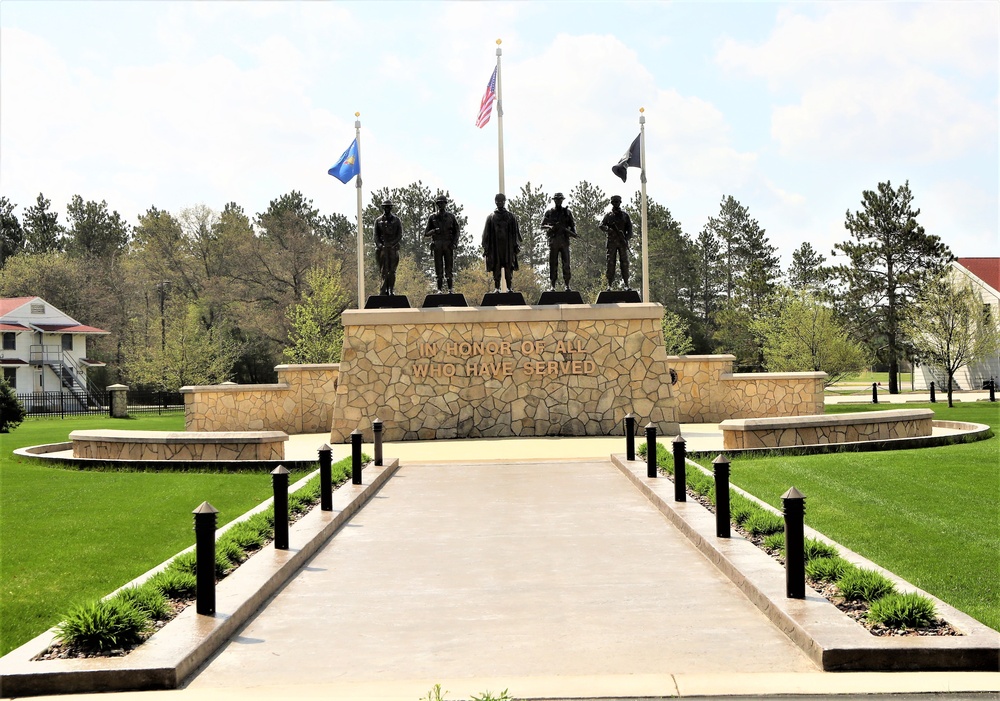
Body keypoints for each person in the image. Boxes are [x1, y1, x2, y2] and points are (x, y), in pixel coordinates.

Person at [482, 193, 521, 293]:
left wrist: (516, 245)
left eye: (502, 201)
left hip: (507, 247)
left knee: (509, 266)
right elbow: (486, 233)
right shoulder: (491, 217)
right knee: (496, 266)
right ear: (495, 202)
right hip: (495, 247)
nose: (500, 203)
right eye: (498, 201)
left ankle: (509, 287)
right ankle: (496, 288)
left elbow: (515, 232)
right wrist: (486, 247)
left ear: (505, 202)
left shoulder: (511, 217)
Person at [541, 192, 577, 291]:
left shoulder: (567, 213)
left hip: (564, 241)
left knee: (566, 264)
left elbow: (572, 226)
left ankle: (567, 285)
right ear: (554, 200)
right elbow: (542, 225)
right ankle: (552, 285)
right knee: (553, 264)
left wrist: (573, 233)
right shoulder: (549, 212)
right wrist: (550, 227)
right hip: (554, 241)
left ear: (562, 200)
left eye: (560, 199)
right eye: (556, 199)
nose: (558, 201)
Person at [424, 195, 460, 293]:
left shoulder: (451, 217)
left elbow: (457, 231)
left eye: (442, 203)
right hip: (438, 244)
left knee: (449, 268)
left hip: (448, 245)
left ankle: (450, 289)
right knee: (438, 268)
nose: (441, 205)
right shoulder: (432, 217)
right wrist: (434, 231)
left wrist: (454, 243)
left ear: (445, 204)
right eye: (439, 203)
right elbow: (426, 233)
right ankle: (439, 289)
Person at [600, 195, 633, 289]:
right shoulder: (608, 216)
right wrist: (609, 230)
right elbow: (601, 226)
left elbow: (630, 231)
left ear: (620, 203)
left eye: (617, 202)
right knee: (610, 263)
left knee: (625, 263)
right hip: (611, 243)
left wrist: (625, 239)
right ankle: (609, 284)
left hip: (622, 243)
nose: (616, 204)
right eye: (614, 202)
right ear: (611, 203)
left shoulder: (625, 216)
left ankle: (626, 284)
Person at [374, 200, 403, 296]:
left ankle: (391, 290)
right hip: (382, 248)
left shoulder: (396, 220)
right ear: (383, 208)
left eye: (389, 207)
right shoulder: (378, 221)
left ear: (391, 208)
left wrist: (393, 244)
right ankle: (383, 290)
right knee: (383, 270)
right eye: (385, 207)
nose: (387, 208)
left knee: (392, 271)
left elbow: (399, 234)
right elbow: (376, 236)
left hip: (393, 248)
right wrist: (380, 246)